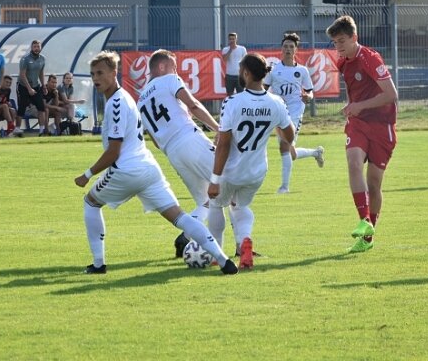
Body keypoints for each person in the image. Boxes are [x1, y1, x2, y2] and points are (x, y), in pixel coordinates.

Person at [73, 51, 238, 275]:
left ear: (114, 73)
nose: (95, 78)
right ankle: (224, 259)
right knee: (192, 210)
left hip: (144, 162)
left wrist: (87, 173)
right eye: (93, 74)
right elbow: (191, 107)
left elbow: (115, 150)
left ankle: (98, 264)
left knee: (90, 203)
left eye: (100, 73)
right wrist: (215, 128)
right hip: (151, 168)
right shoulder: (130, 97)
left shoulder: (134, 100)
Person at [207, 53, 295, 270]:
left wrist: (214, 179)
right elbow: (289, 137)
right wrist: (271, 125)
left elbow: (224, 144)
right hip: (256, 171)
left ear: (246, 73)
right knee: (240, 206)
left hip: (231, 171)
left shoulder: (233, 102)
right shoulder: (276, 102)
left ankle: (216, 253)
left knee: (216, 205)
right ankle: (244, 241)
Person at [137, 49, 223, 257]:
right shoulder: (169, 79)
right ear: (162, 67)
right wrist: (218, 129)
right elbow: (193, 105)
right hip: (190, 139)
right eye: (173, 66)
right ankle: (242, 246)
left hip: (172, 153)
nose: (176, 70)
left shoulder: (140, 102)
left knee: (206, 201)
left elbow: (155, 143)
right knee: (229, 183)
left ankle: (186, 236)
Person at [326, 15, 398, 254]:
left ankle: (367, 237)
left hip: (383, 126)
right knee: (353, 163)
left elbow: (391, 94)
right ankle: (363, 219)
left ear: (354, 37)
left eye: (342, 40)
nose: (338, 47)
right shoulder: (343, 62)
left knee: (374, 184)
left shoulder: (370, 58)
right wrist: (351, 107)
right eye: (335, 42)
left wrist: (360, 105)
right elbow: (354, 92)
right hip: (358, 123)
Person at [263, 32, 325, 194]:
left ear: (296, 50)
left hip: (295, 112)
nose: (288, 49)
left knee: (285, 146)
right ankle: (315, 152)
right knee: (290, 152)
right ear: (281, 49)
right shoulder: (274, 71)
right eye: (285, 46)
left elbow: (310, 92)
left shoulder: (302, 71)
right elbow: (263, 89)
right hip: (278, 113)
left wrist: (307, 97)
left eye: (291, 47)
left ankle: (284, 187)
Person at [14, 40, 47, 137]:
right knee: (22, 106)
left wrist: (43, 85)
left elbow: (41, 73)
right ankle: (17, 129)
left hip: (35, 85)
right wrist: (29, 89)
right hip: (23, 85)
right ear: (31, 48)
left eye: (38, 47)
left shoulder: (42, 59)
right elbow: (22, 75)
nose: (37, 49)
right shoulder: (25, 59)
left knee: (41, 107)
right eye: (35, 47)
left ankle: (42, 130)